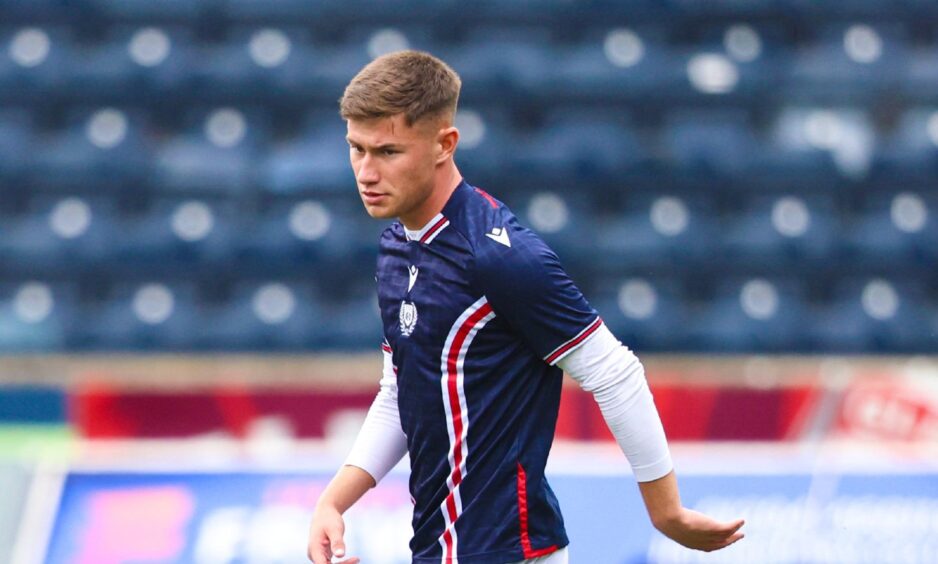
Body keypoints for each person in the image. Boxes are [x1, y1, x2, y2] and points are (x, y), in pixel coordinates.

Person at [308, 50, 745, 564]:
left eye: (387, 152)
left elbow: (615, 372)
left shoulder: (499, 256)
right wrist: (335, 501)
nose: (366, 171)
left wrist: (665, 512)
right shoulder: (397, 248)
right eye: (356, 149)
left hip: (511, 553)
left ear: (445, 144)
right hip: (442, 549)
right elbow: (401, 392)